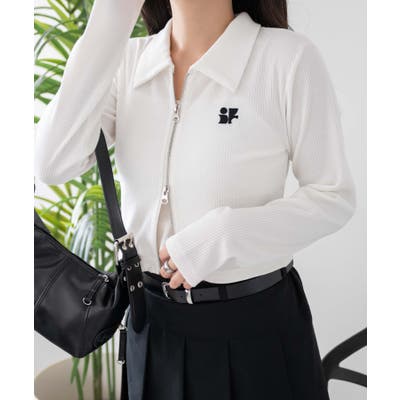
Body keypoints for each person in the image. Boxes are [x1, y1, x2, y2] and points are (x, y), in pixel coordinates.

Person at [34, 0, 357, 399]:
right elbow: (53, 163)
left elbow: (333, 196)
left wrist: (223, 235)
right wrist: (113, 15)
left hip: (255, 335)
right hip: (151, 330)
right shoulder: (128, 61)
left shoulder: (287, 59)